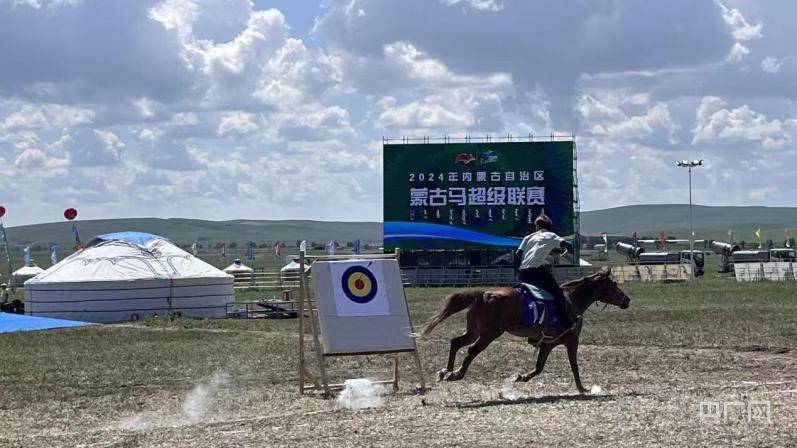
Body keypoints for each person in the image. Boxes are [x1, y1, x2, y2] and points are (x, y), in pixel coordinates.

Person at [516, 213, 579, 325]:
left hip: (523, 272)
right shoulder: (551, 236)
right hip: (537, 271)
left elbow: (518, 253)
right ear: (549, 226)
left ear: (537, 226)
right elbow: (568, 245)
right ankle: (564, 320)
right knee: (558, 293)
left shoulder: (528, 237)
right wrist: (566, 251)